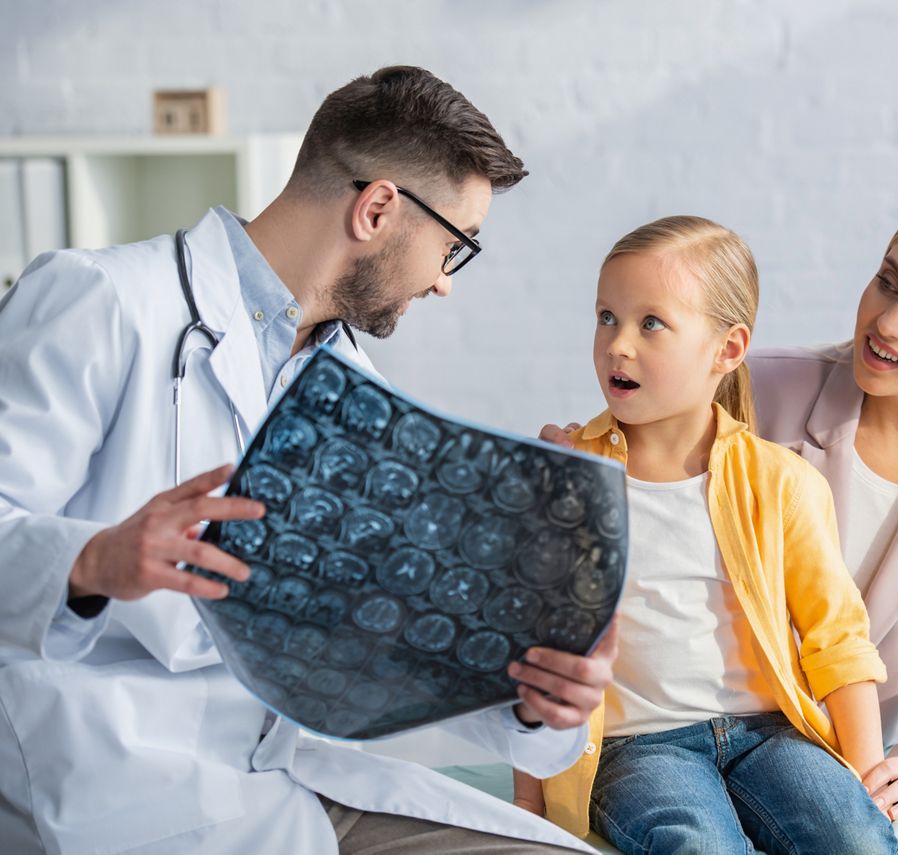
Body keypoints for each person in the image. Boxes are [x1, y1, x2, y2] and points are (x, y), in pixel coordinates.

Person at [0, 66, 613, 854]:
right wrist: (93, 559)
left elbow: (396, 637)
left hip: (288, 778)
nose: (443, 284)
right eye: (454, 247)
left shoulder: (357, 393)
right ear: (379, 207)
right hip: (113, 781)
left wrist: (534, 698)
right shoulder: (102, 301)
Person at [542, 196, 898, 825]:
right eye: (887, 283)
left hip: (825, 757)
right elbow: (643, 453)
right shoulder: (761, 385)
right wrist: (567, 466)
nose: (888, 322)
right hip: (679, 732)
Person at [515, 216, 898, 855]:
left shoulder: (782, 482)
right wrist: (530, 805)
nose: (618, 345)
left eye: (651, 323)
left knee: (856, 840)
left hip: (769, 735)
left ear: (727, 348)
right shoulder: (566, 479)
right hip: (638, 747)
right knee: (699, 846)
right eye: (606, 317)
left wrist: (862, 779)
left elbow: (839, 642)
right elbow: (536, 653)